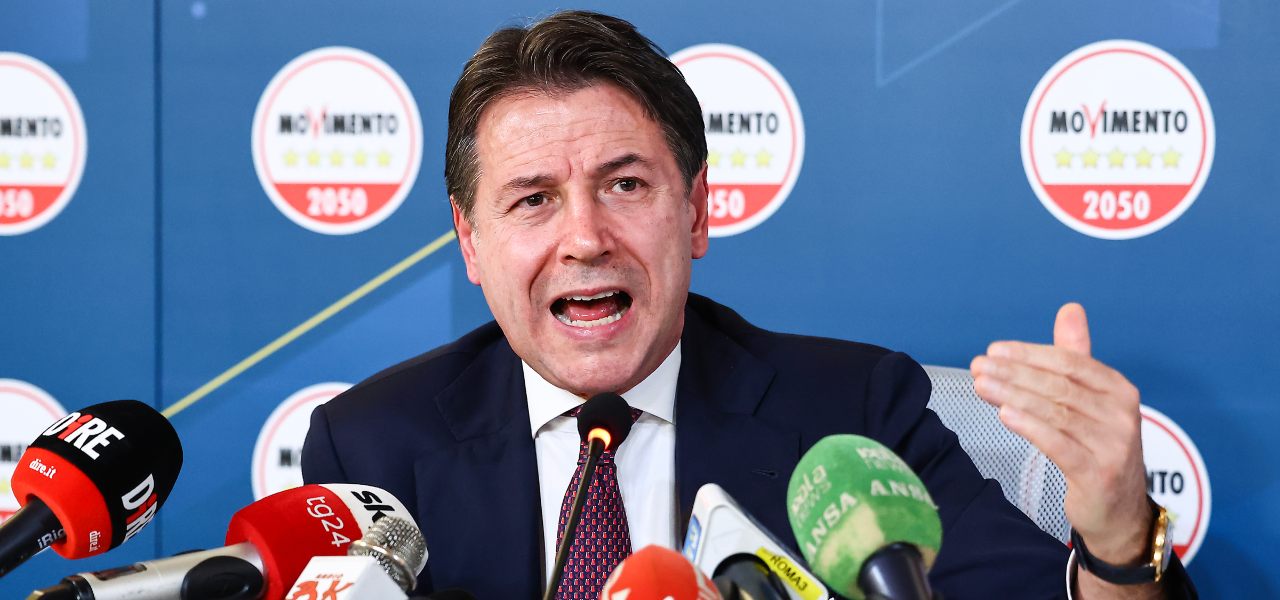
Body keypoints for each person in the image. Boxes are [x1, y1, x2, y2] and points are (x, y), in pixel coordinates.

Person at [302, 10, 1195, 599]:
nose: (584, 238)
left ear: (695, 212)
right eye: (533, 199)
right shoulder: (374, 449)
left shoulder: (855, 413)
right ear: (470, 240)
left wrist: (1120, 540)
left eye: (624, 185)